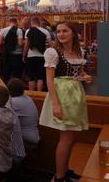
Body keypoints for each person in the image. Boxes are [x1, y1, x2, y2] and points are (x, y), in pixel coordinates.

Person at [39, 21, 92, 182]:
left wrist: (86, 77)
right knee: (66, 138)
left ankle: (65, 170)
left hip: (75, 94)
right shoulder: (53, 52)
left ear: (73, 33)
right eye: (58, 31)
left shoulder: (79, 51)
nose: (60, 34)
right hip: (62, 95)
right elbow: (49, 80)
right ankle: (60, 177)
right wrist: (55, 104)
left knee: (71, 137)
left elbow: (80, 73)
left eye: (65, 31)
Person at [24, 17, 51, 91]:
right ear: (38, 22)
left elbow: (26, 45)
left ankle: (31, 95)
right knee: (40, 77)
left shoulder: (28, 31)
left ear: (32, 22)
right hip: (42, 56)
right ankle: (40, 94)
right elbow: (50, 44)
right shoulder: (45, 31)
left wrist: (23, 56)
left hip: (30, 56)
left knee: (31, 77)